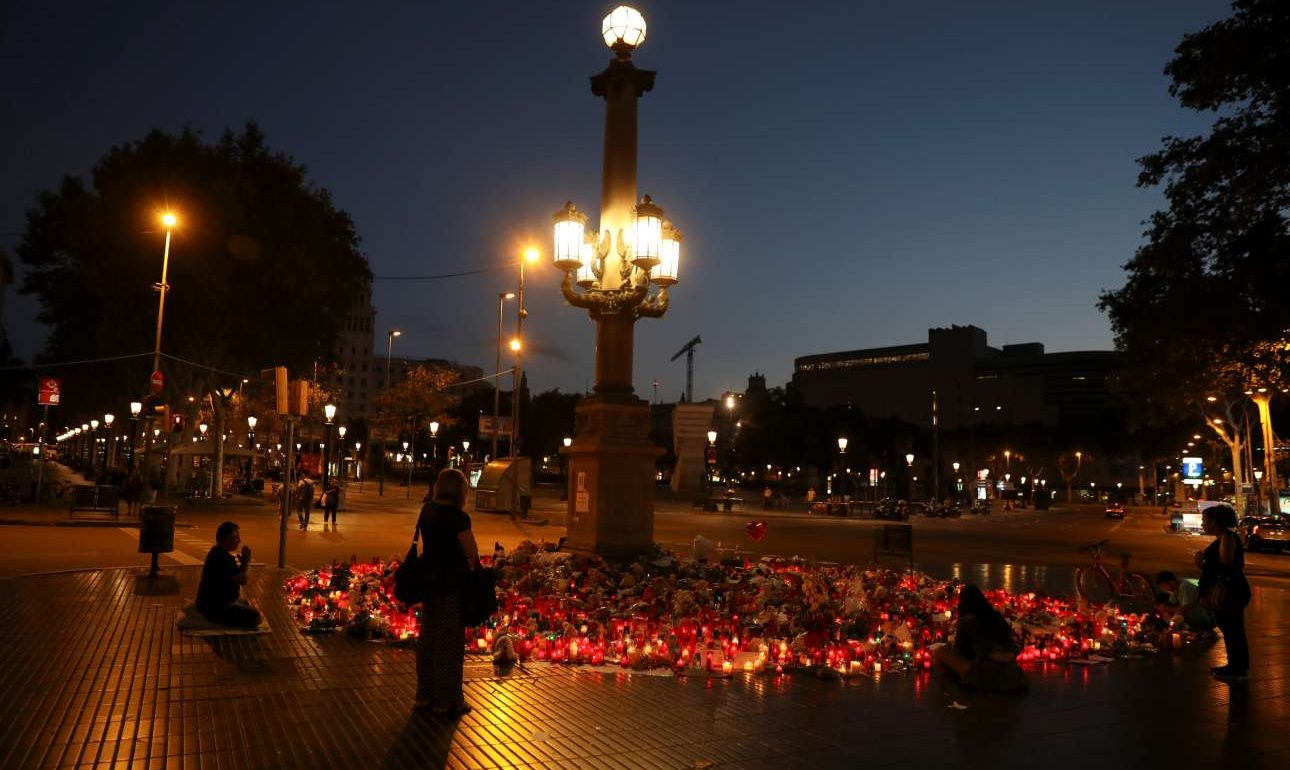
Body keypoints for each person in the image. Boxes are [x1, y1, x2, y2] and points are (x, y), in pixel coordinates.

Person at [414, 468, 479, 717]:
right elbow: (471, 553)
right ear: (461, 490)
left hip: (429, 581)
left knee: (428, 637)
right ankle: (447, 701)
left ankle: (424, 696)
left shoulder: (427, 511)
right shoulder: (458, 518)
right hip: (452, 585)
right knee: (449, 643)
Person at [933, 584, 1027, 693]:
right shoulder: (996, 616)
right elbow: (1013, 646)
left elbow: (960, 651)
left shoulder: (967, 620)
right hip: (1012, 675)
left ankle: (959, 682)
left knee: (940, 652)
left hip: (985, 675)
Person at [1196, 504, 1251, 680]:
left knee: (1233, 629)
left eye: (1205, 520)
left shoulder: (1227, 537)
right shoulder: (1223, 537)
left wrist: (1203, 563)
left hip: (1230, 592)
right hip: (1230, 590)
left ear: (1215, 521)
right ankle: (1235, 666)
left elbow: (1225, 565)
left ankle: (1237, 669)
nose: (1203, 524)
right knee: (1231, 629)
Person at [195, 521, 261, 628]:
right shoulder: (223, 558)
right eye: (236, 537)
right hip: (216, 607)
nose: (239, 540)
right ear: (226, 539)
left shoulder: (216, 552)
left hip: (207, 604)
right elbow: (243, 580)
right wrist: (246, 561)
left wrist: (243, 563)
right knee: (257, 617)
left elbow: (235, 575)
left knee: (245, 603)